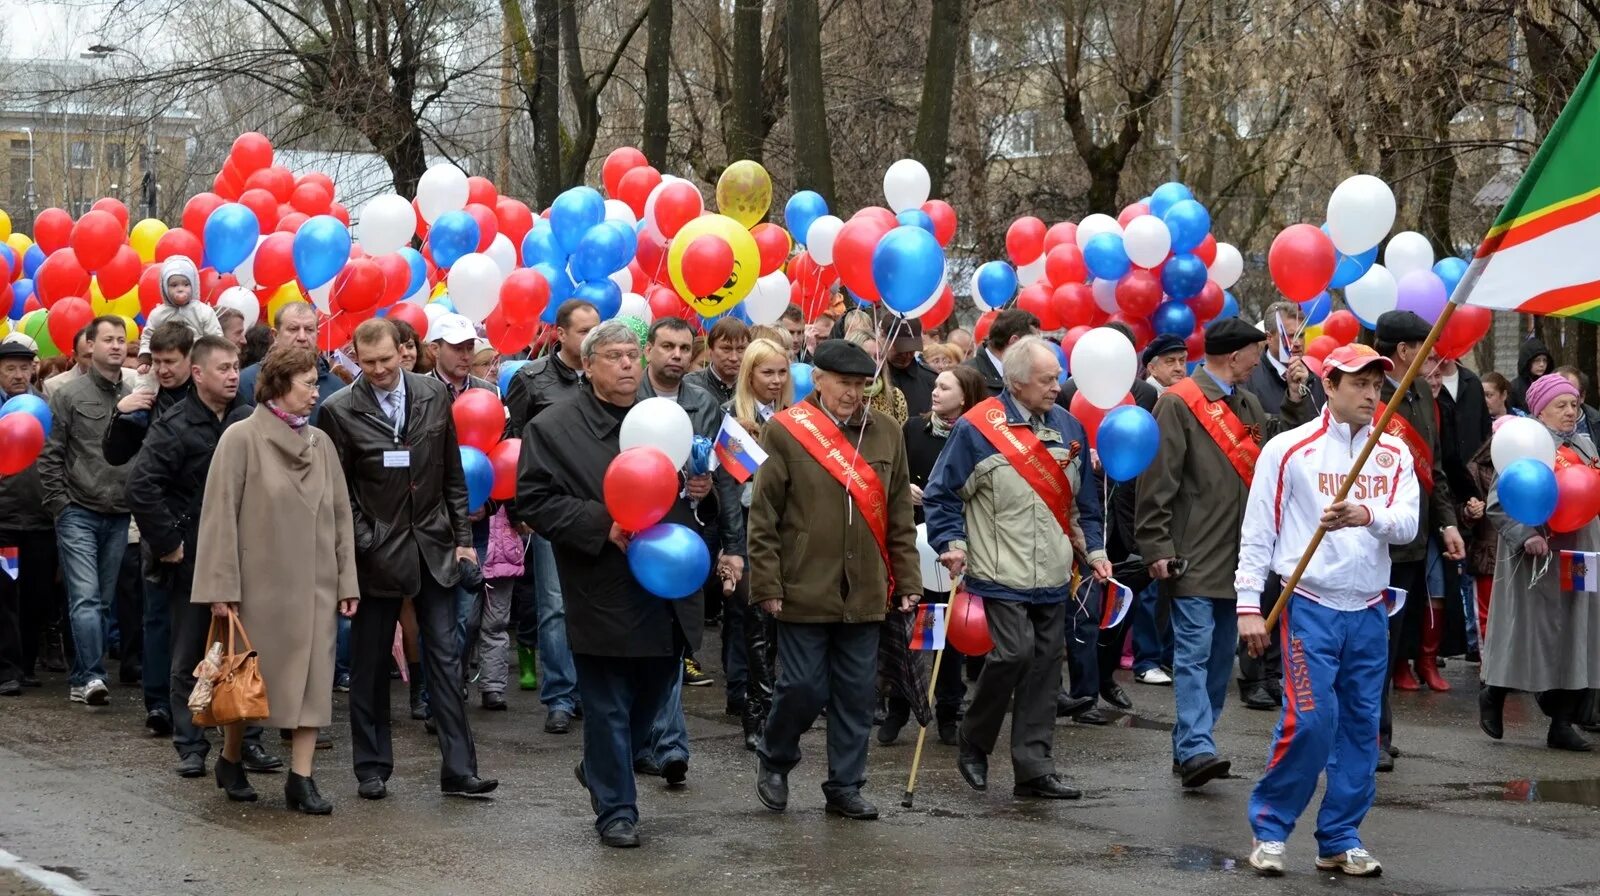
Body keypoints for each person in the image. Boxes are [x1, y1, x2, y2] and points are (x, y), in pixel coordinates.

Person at [516, 320, 707, 849]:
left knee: (651, 699)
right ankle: (617, 811)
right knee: (607, 705)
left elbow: (692, 497)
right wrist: (606, 524)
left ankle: (601, 764)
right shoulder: (554, 427)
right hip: (602, 585)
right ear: (589, 363)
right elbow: (533, 501)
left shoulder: (665, 417)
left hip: (667, 584)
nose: (627, 364)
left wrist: (701, 488)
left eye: (632, 354)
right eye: (615, 356)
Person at [1235, 344, 1418, 878]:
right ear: (1329, 385)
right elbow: (1258, 532)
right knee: (1311, 723)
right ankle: (1270, 830)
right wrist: (1249, 605)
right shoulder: (1290, 449)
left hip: (1368, 610)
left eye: (1377, 386)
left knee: (1363, 729)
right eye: (1359, 384)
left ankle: (1339, 837)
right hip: (1309, 607)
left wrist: (1367, 513)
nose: (1371, 395)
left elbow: (1408, 523)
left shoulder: (1394, 452)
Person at [318, 318, 497, 801]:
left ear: (405, 352)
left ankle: (459, 769)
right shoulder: (338, 409)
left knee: (444, 657)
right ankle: (371, 767)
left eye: (384, 360)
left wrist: (462, 538)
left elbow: (452, 473)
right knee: (371, 663)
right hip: (377, 554)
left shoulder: (433, 395)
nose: (376, 370)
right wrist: (365, 538)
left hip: (434, 547)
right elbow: (336, 491)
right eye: (366, 361)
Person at [925, 335, 1108, 800]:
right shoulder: (977, 428)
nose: (1056, 386)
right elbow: (942, 493)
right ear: (1018, 382)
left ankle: (1033, 768)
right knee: (1014, 654)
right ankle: (974, 738)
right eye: (1047, 380)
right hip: (999, 569)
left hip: (1052, 572)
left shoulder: (1069, 427)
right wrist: (951, 543)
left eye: (1057, 377)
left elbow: (1085, 503)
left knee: (1046, 668)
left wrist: (1097, 552)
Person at [748, 339, 921, 821]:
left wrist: (907, 578)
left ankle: (845, 784)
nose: (852, 394)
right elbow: (763, 517)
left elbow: (899, 515)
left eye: (860, 385)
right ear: (817, 380)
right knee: (802, 686)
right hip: (803, 583)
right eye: (843, 383)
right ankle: (776, 756)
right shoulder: (785, 431)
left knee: (856, 691)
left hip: (866, 587)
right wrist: (767, 584)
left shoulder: (887, 432)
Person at [1135, 316, 1309, 789]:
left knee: (1217, 658)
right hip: (1192, 551)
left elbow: (1276, 451)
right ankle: (1196, 747)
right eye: (1256, 353)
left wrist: (1294, 401)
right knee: (1192, 651)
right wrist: (1156, 545)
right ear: (1235, 355)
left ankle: (1193, 741)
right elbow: (1158, 481)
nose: (1260, 362)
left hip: (1239, 556)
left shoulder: (1248, 402)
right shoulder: (1177, 404)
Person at [190, 345, 359, 813]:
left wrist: (348, 582)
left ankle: (300, 779)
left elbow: (341, 517)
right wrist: (220, 589)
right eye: (308, 383)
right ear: (280, 385)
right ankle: (229, 757)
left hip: (316, 585)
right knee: (251, 684)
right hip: (257, 589)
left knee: (313, 681)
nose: (315, 393)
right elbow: (218, 517)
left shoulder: (321, 444)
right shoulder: (240, 438)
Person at [125, 335, 283, 777]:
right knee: (192, 652)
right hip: (192, 557)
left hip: (247, 553)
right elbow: (140, 486)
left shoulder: (251, 419)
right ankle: (191, 744)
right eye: (223, 368)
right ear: (198, 373)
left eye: (237, 366)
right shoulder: (174, 425)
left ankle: (247, 741)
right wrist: (169, 543)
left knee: (246, 652)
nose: (234, 375)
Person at [634, 315, 739, 776]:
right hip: (633, 533)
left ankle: (671, 744)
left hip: (686, 537)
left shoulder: (705, 404)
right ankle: (642, 740)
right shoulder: (628, 397)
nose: (676, 355)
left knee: (676, 640)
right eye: (667, 347)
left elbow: (729, 475)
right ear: (649, 351)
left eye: (683, 348)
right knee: (643, 646)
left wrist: (730, 539)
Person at [1481, 373, 1600, 752]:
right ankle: (1494, 692)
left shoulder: (1584, 443)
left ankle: (1562, 723)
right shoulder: (1525, 443)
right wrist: (1526, 534)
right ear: (1540, 410)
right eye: (1560, 405)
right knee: (1526, 633)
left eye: (1574, 405)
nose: (1570, 412)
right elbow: (1497, 505)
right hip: (1537, 557)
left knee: (1576, 632)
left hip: (1580, 553)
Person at [1372, 311, 1463, 769]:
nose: (1434, 359)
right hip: (1372, 540)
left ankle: (1379, 730)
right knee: (1375, 643)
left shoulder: (1424, 397)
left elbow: (1437, 470)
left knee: (1391, 641)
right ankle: (1370, 736)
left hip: (1414, 539)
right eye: (1426, 349)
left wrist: (1447, 524)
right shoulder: (1368, 393)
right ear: (1404, 351)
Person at [505, 299, 599, 734]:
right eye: (583, 331)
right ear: (560, 334)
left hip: (599, 507)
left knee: (594, 600)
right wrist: (519, 507)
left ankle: (592, 690)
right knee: (555, 604)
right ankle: (560, 695)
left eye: (596, 329)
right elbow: (512, 446)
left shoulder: (606, 376)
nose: (591, 338)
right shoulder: (531, 379)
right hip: (551, 507)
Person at [38, 316, 137, 707]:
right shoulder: (68, 394)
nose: (115, 346)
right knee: (85, 597)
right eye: (107, 340)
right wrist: (60, 506)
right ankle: (94, 676)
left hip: (118, 510)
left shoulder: (135, 393)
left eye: (121, 340)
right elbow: (50, 456)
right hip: (77, 508)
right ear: (90, 347)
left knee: (104, 601)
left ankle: (83, 675)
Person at [887, 364, 986, 746]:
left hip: (955, 546)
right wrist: (905, 493)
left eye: (945, 387)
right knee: (912, 627)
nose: (935, 392)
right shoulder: (913, 429)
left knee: (948, 633)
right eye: (936, 386)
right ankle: (899, 706)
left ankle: (948, 710)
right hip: (915, 544)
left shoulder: (975, 436)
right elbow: (894, 475)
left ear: (965, 396)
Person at [719, 337, 794, 750]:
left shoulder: (798, 416)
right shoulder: (733, 417)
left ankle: (777, 708)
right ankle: (756, 711)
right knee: (756, 626)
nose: (776, 380)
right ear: (750, 375)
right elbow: (729, 490)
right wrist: (733, 547)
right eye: (767, 372)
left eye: (782, 372)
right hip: (749, 531)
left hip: (791, 533)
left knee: (784, 626)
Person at [0, 339, 57, 696]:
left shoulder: (45, 405)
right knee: (6, 593)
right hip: (4, 523)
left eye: (24, 368)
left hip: (40, 520)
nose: (19, 375)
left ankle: (27, 662)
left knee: (37, 595)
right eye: (10, 369)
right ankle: (7, 669)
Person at [237, 302, 343, 424]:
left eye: (309, 330)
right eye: (293, 329)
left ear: (317, 334)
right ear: (275, 335)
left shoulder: (337, 389)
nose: (302, 337)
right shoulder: (247, 382)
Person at [1246, 301, 1327, 415]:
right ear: (1269, 337)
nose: (1298, 342)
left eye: (1301, 335)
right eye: (1290, 336)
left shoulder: (1314, 381)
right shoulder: (1248, 379)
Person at [138, 256, 222, 358]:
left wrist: (213, 358)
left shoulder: (203, 311)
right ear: (164, 287)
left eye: (186, 284)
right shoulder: (158, 314)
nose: (180, 289)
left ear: (193, 285)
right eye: (174, 285)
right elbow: (148, 336)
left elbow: (215, 337)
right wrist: (145, 356)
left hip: (197, 361)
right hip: (166, 362)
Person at [967, 309, 1039, 396]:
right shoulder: (967, 377)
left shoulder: (1029, 374)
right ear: (1014, 341)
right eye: (1033, 343)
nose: (1038, 349)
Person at [685, 317, 749, 408]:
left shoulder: (754, 385)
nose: (734, 358)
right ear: (711, 350)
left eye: (741, 349)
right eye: (726, 349)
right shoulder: (689, 385)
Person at [882, 318, 937, 417]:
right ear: (883, 338)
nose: (906, 355)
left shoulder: (930, 380)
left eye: (911, 349)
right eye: (901, 349)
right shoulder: (871, 378)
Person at [1555, 366, 1600, 442]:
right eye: (1557, 392)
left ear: (1582, 397)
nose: (1563, 397)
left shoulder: (1597, 423)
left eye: (1570, 393)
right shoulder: (1534, 425)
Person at [1509, 335, 1553, 412]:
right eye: (1537, 360)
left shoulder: (1550, 384)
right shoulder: (1515, 388)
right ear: (1527, 362)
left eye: (1545, 360)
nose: (1542, 364)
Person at [43, 329, 91, 397]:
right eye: (89, 356)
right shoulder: (54, 387)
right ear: (75, 356)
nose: (96, 361)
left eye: (99, 355)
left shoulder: (111, 382)